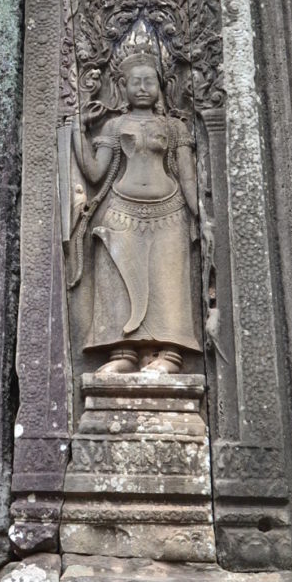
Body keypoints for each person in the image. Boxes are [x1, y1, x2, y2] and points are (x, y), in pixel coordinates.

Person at [71, 49, 201, 374]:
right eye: (135, 82)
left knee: (167, 283)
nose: (142, 88)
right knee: (116, 279)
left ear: (161, 86)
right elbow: (94, 173)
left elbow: (187, 177)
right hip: (121, 211)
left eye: (149, 82)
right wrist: (77, 130)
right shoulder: (114, 126)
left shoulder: (173, 127)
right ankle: (123, 352)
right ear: (122, 87)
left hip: (170, 212)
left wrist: (201, 215)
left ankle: (169, 354)